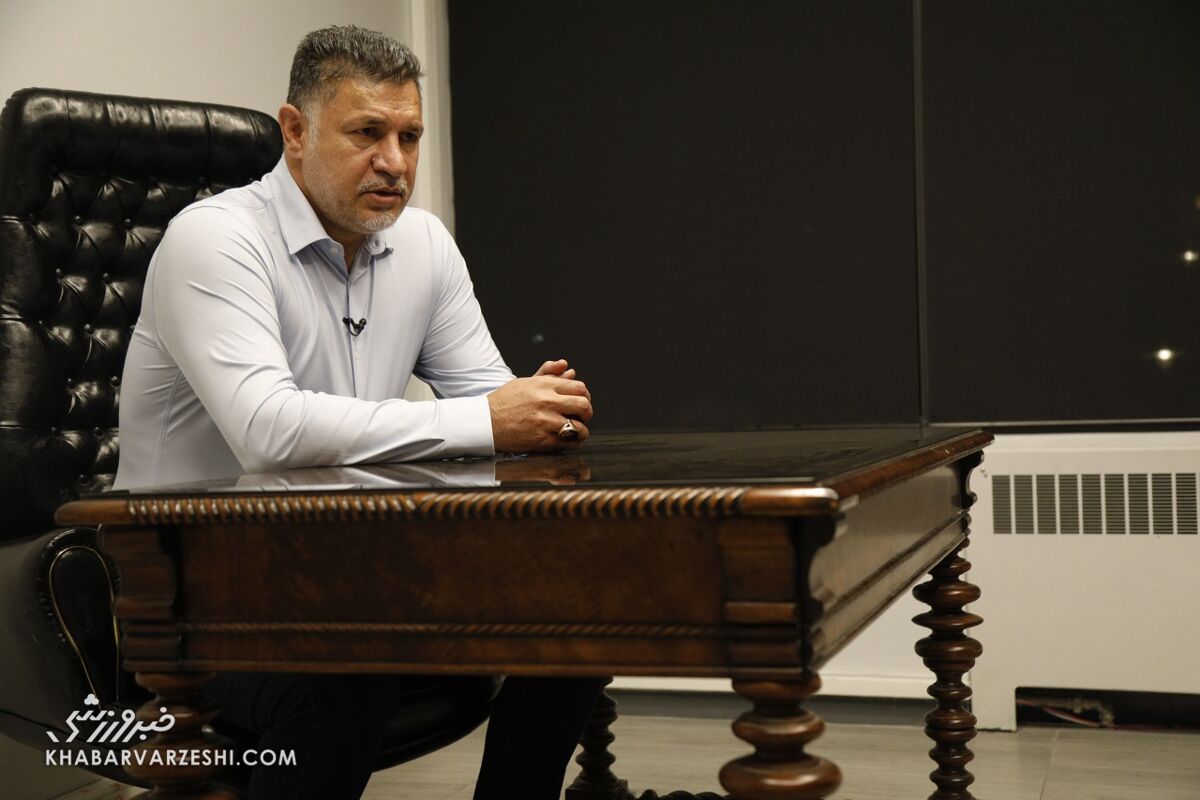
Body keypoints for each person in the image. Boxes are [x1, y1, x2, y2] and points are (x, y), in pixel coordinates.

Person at [113, 24, 605, 800]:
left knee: (587, 611)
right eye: (367, 133)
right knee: (348, 674)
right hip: (194, 598)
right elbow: (269, 431)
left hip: (350, 580)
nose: (396, 162)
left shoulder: (424, 244)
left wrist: (542, 411)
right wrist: (489, 418)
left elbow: (493, 406)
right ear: (295, 131)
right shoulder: (213, 240)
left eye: (410, 136)